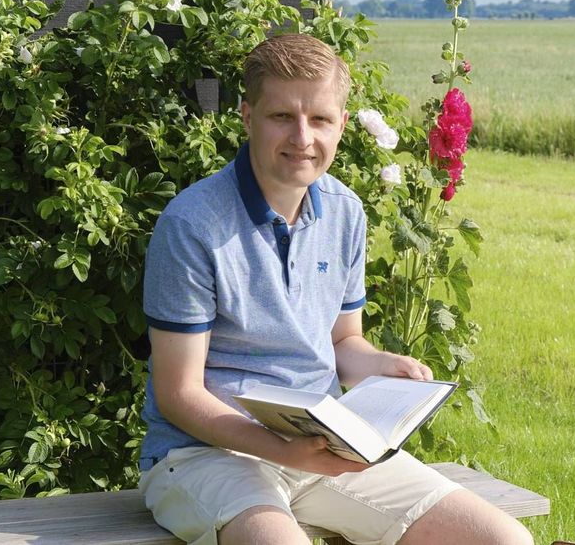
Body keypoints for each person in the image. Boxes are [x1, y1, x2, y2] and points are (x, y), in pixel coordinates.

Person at [138, 33, 533, 545]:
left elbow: (343, 342)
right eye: (282, 116)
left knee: (504, 541)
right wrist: (280, 450)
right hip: (204, 456)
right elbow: (178, 394)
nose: (303, 136)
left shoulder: (345, 211)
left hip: (321, 446)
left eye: (320, 119)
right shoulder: (192, 224)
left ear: (342, 125)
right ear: (247, 117)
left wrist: (385, 367)